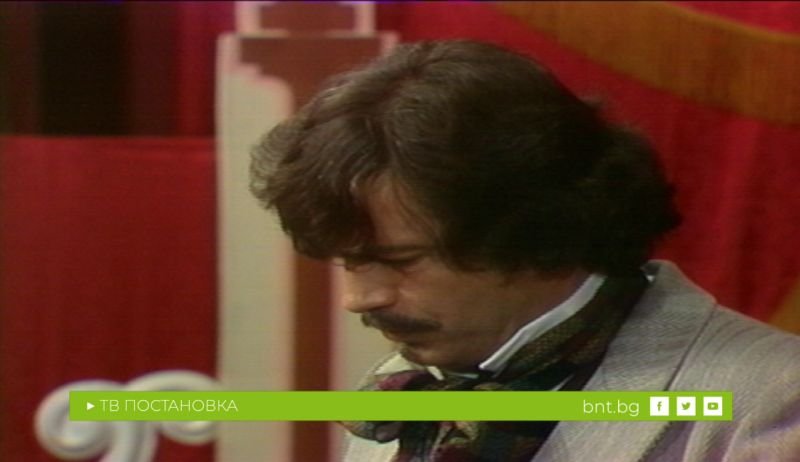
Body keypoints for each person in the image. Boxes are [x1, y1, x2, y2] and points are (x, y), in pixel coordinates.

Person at [249, 40, 800, 461]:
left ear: (538, 232)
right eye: (349, 261)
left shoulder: (775, 398)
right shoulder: (400, 390)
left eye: (400, 261)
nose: (357, 298)